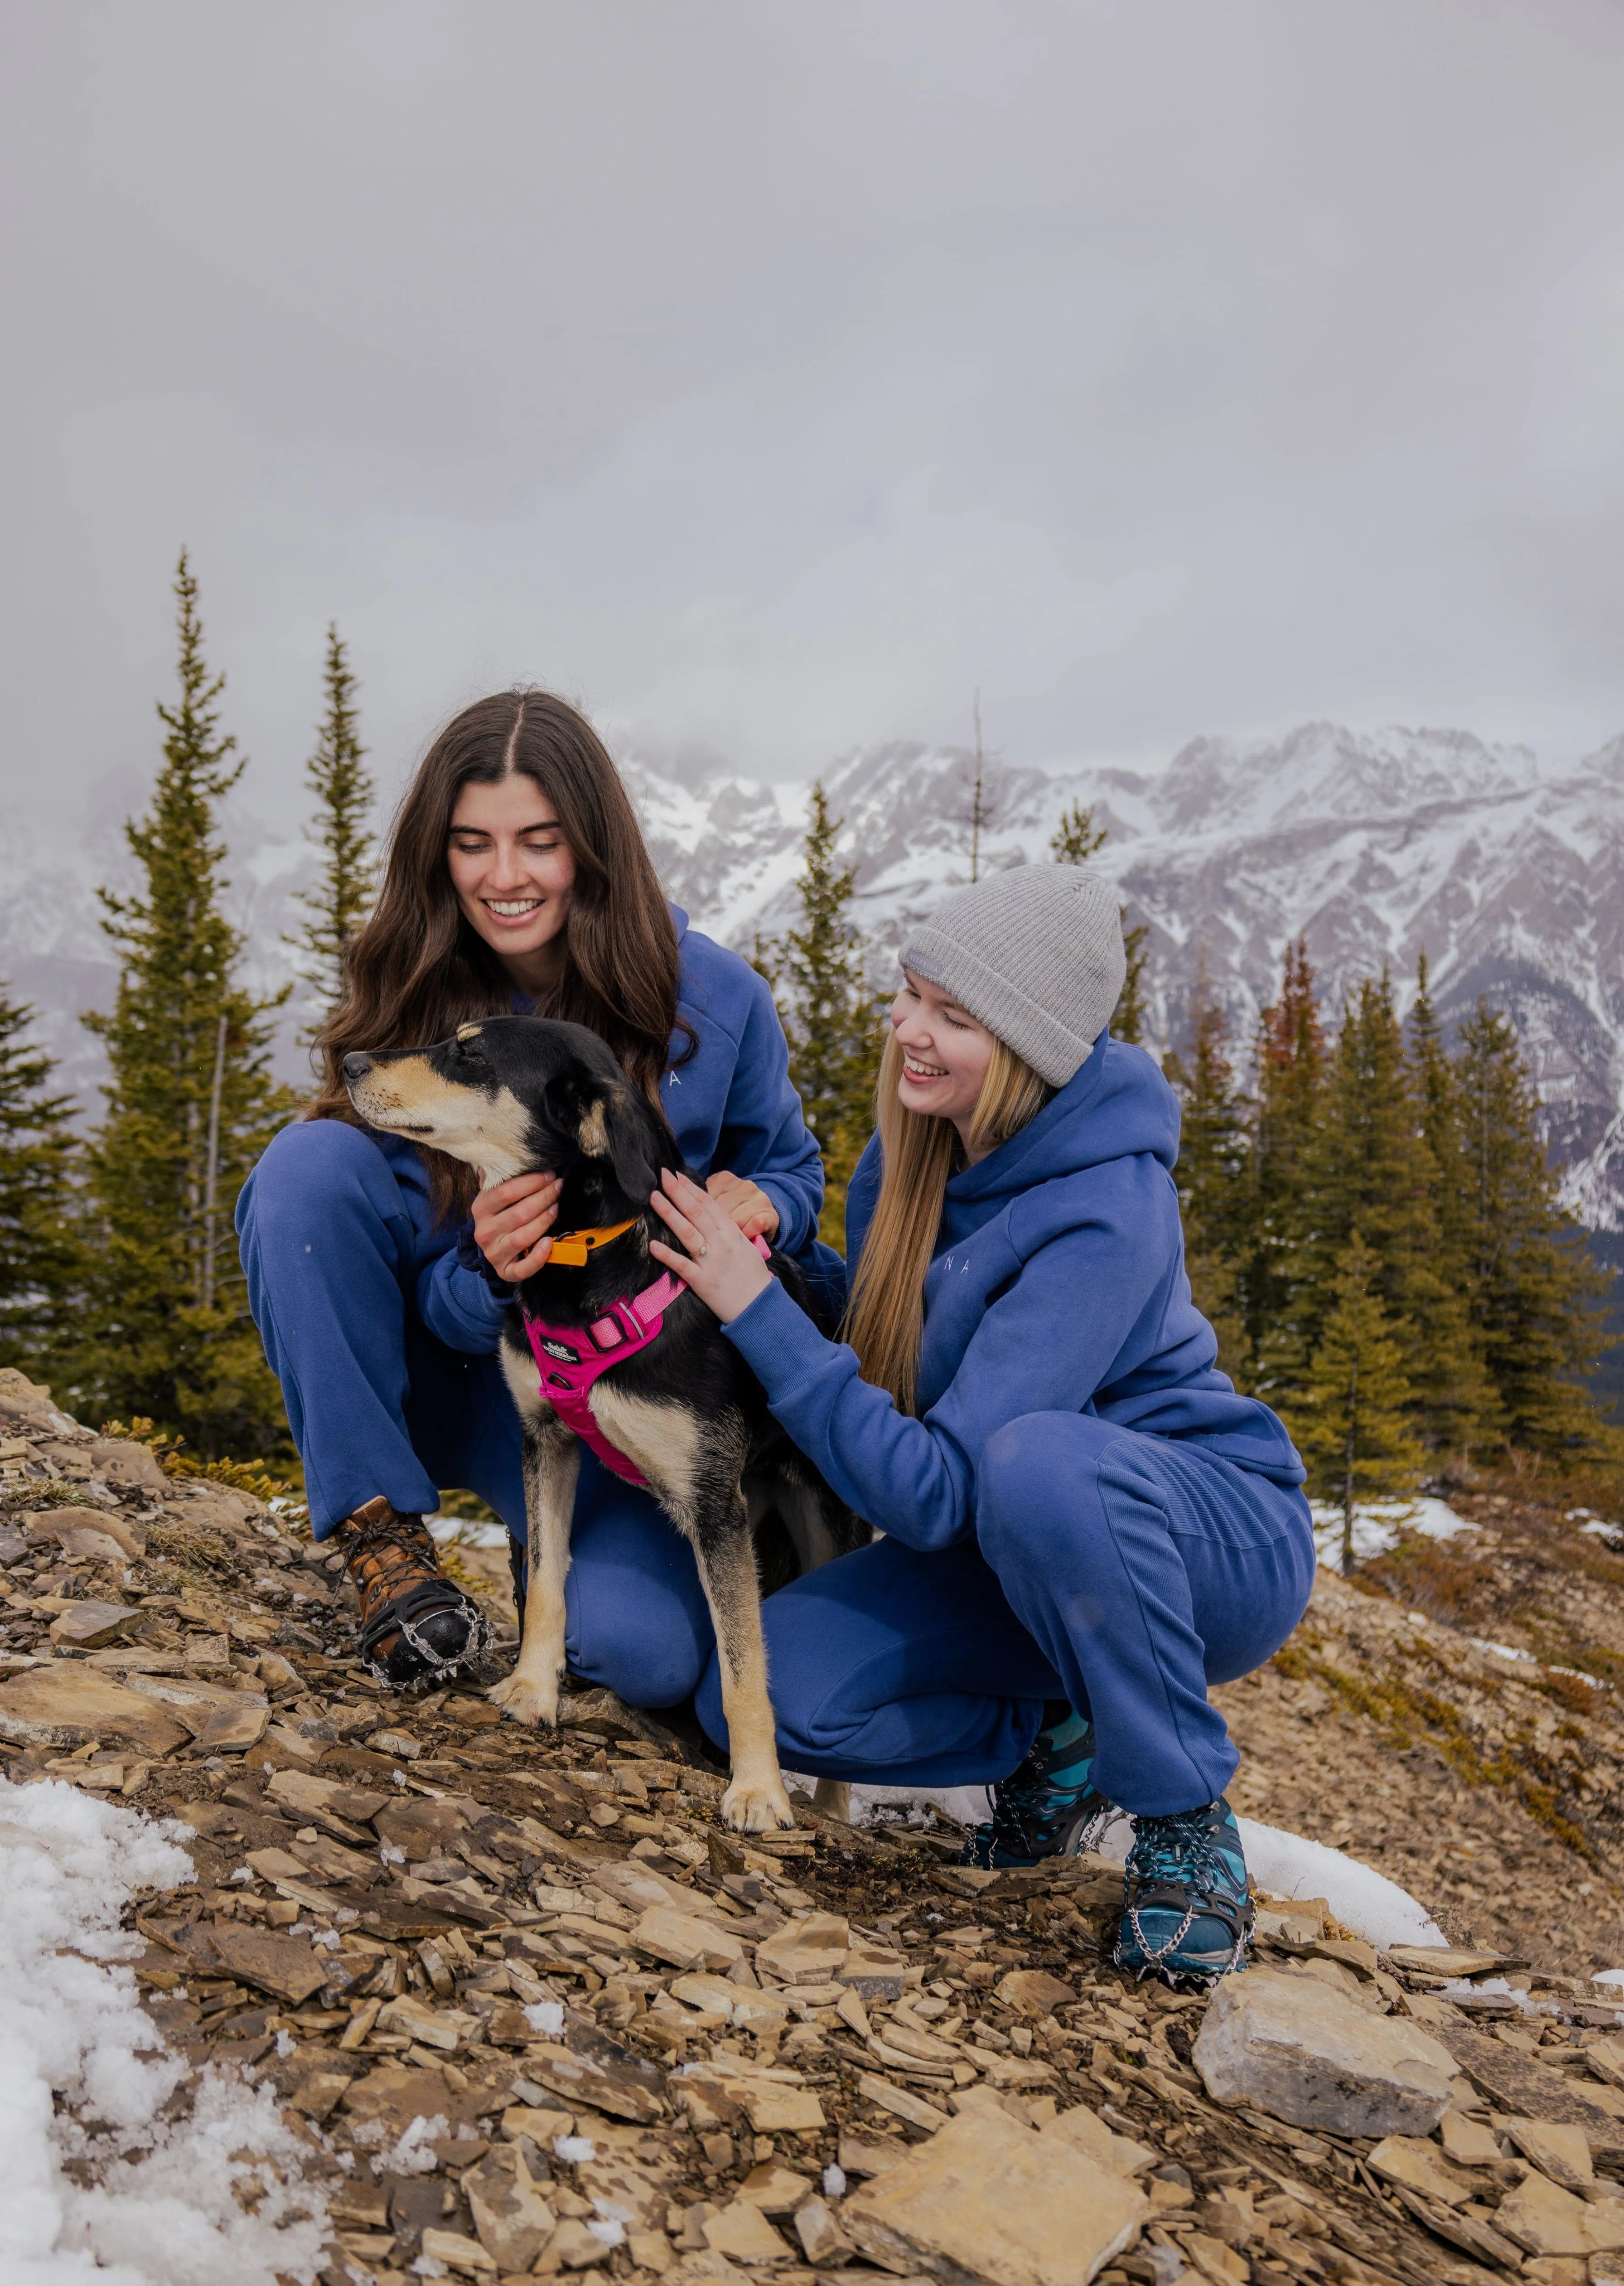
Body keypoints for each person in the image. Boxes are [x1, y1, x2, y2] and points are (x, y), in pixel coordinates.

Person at [644, 863, 1316, 1983]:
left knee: (1036, 1459)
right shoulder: (910, 1161)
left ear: (1028, 1048)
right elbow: (875, 1379)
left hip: (1207, 1541)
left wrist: (752, 1308)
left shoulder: (1110, 1209)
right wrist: (768, 1247)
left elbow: (939, 1490)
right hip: (1016, 1555)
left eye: (953, 1016)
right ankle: (1061, 1737)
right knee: (760, 1695)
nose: (910, 1030)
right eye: (911, 994)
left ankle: (1185, 1821)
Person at [237, 689, 822, 1693]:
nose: (503, 878)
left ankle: (578, 1567)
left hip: (635, 1399)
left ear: (591, 845)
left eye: (539, 841)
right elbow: (420, 1283)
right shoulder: (415, 986)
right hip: (469, 1374)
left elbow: (793, 1171)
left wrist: (770, 1205)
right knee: (302, 1166)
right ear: (439, 851)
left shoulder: (716, 999)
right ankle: (384, 1539)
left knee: (635, 1656)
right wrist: (489, 1270)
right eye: (472, 843)